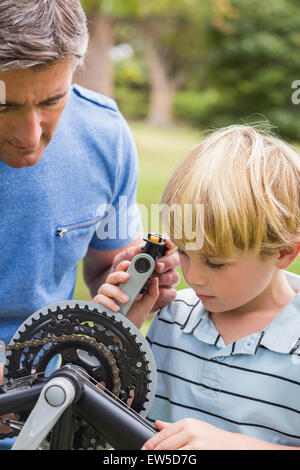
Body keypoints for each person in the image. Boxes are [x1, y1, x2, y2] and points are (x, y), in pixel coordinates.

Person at [0, 0, 179, 441]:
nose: (30, 135)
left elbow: (105, 270)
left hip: (46, 411)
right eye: (3, 106)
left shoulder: (105, 135)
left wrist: (133, 283)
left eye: (51, 101)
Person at [98, 124, 300, 450]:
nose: (195, 277)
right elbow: (110, 419)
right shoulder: (173, 318)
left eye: (216, 262)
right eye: (184, 253)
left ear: (284, 253)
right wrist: (120, 331)